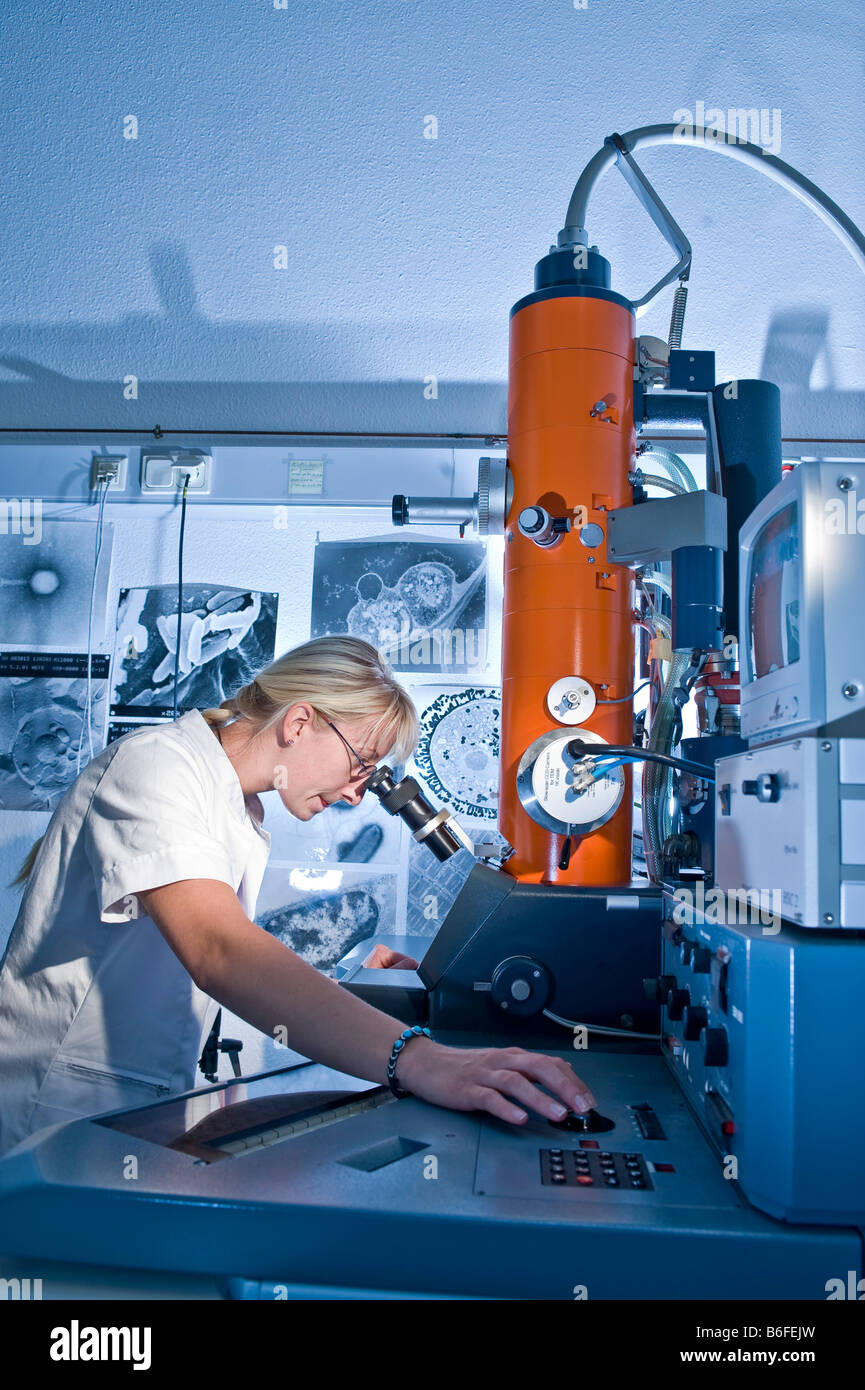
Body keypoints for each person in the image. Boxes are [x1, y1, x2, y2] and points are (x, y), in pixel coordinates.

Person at [0, 635, 595, 1157]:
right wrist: (418, 1059)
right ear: (300, 721)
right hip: (54, 1111)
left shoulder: (237, 804)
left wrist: (348, 981)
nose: (361, 795)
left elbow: (199, 954)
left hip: (130, 1103)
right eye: (361, 765)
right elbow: (219, 953)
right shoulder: (157, 766)